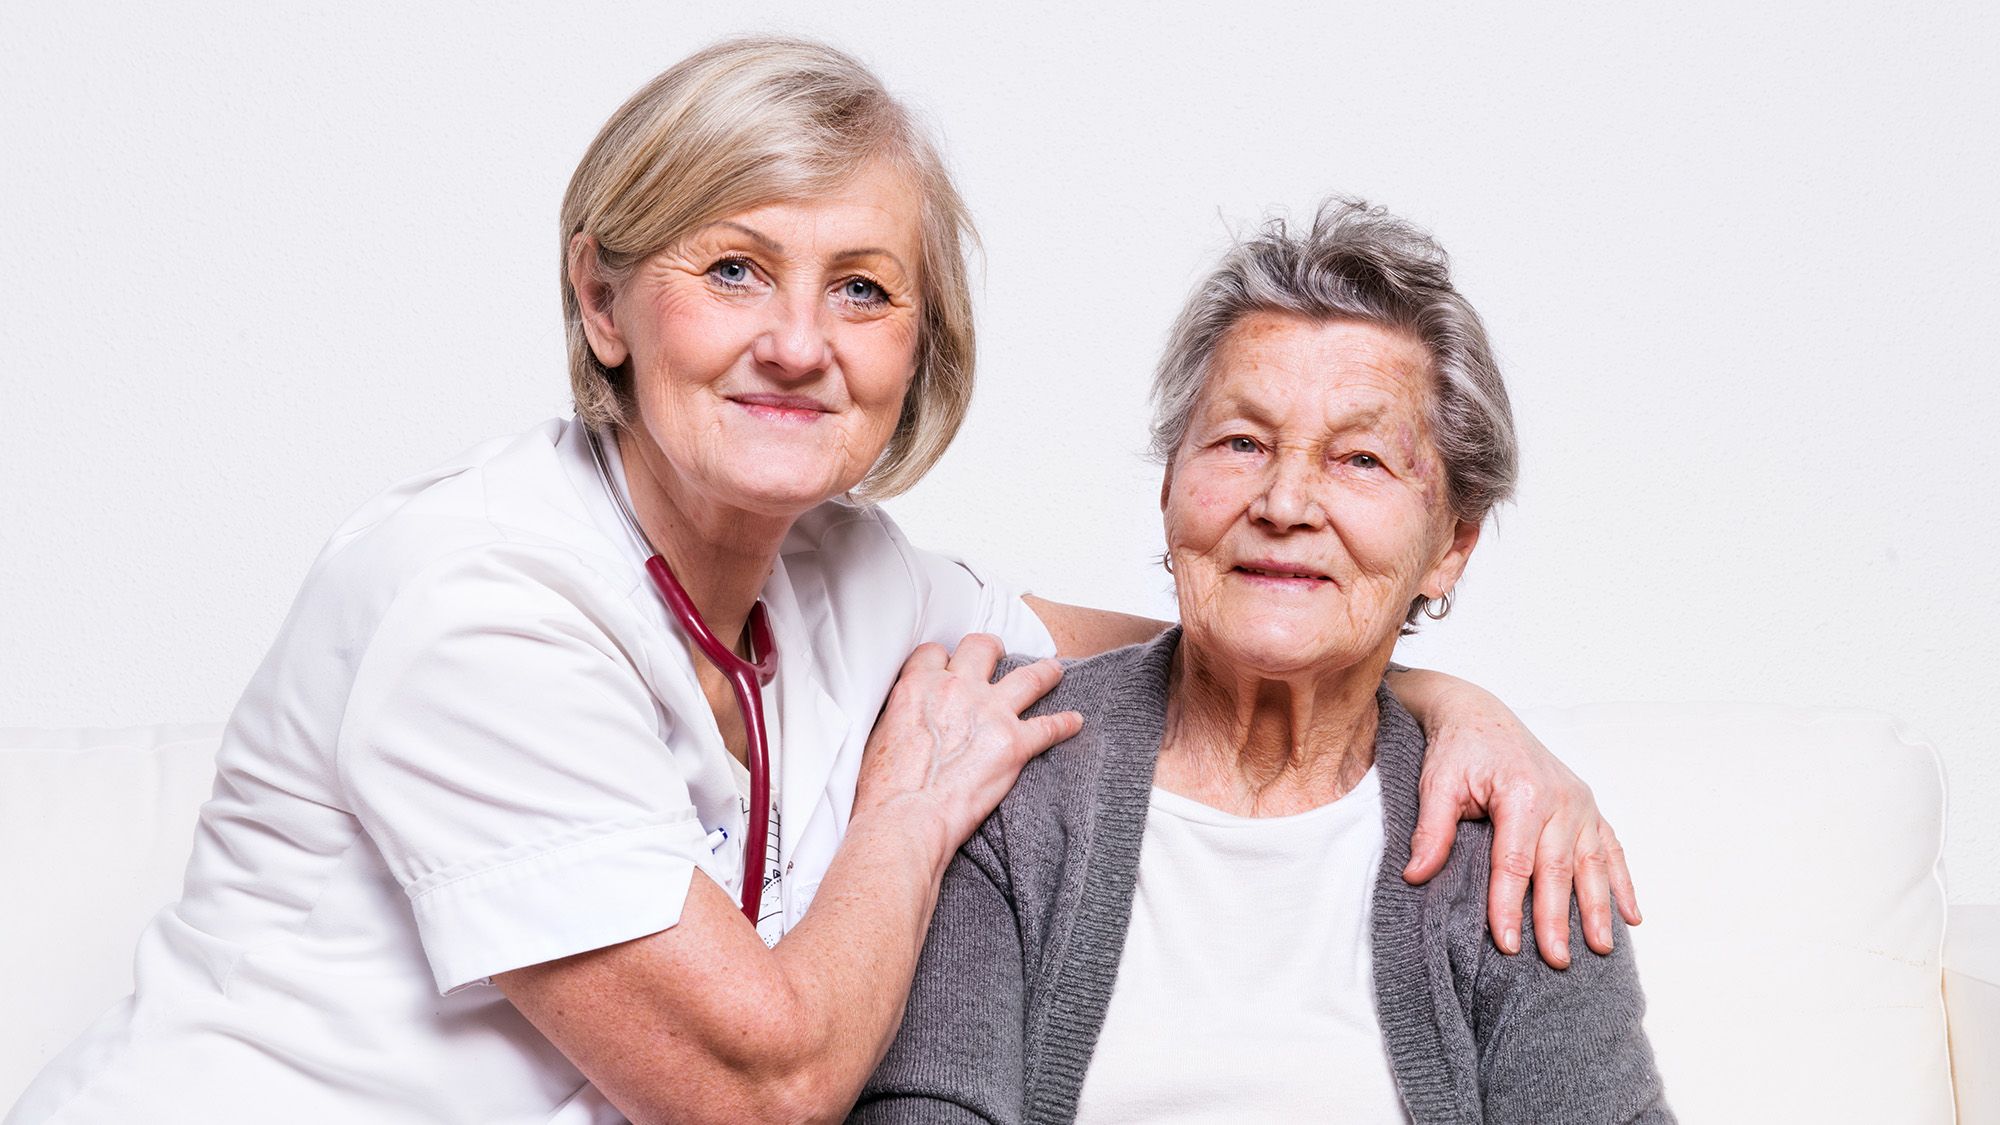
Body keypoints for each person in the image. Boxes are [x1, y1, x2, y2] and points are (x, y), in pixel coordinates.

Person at [8, 40, 1637, 1125]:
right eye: (733, 268)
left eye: (862, 288)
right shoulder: (467, 604)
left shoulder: (848, 579)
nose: (800, 341)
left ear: (920, 343)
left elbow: (1215, 622)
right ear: (602, 300)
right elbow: (763, 1091)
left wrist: (1446, 699)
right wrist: (908, 820)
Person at [856, 200, 1671, 1124]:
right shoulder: (1001, 769)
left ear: (1451, 545)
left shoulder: (1519, 841)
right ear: (1170, 486)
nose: (1284, 502)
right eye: (1241, 443)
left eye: (1360, 459)